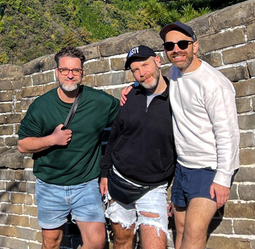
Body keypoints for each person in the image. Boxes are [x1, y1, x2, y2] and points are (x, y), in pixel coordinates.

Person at [18, 46, 120, 249]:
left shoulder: (100, 102)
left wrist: (132, 92)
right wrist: (52, 140)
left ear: (83, 73)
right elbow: (22, 145)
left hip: (86, 184)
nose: (70, 75)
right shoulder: (41, 106)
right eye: (64, 70)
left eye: (75, 70)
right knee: (51, 242)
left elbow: (127, 116)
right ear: (56, 72)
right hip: (50, 184)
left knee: (97, 242)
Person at [160, 21, 240, 249]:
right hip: (183, 166)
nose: (176, 50)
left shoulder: (214, 84)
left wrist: (223, 178)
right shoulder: (174, 72)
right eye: (169, 46)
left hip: (208, 167)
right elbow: (157, 85)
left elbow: (228, 133)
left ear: (195, 46)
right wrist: (133, 88)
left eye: (182, 44)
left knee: (194, 231)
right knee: (180, 228)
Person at [100, 45, 175, 249]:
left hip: (153, 187)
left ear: (157, 61)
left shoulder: (177, 97)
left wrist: (177, 189)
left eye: (145, 65)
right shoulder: (131, 96)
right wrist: (104, 173)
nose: (142, 73)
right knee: (122, 241)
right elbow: (115, 135)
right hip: (119, 181)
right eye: (135, 70)